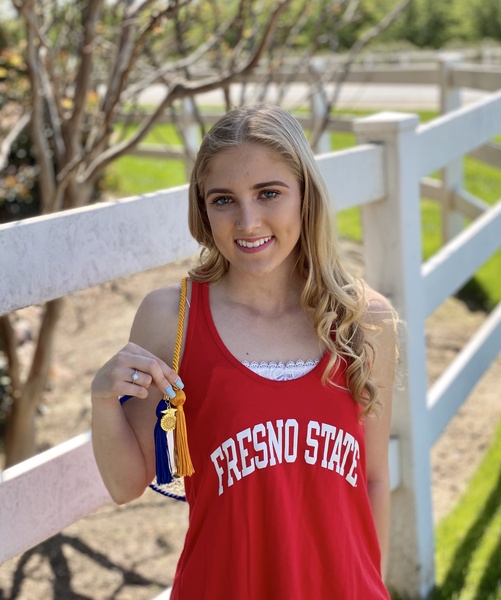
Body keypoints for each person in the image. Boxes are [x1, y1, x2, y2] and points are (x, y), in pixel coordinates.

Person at [91, 103, 397, 599]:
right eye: (224, 199)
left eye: (268, 193)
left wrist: (370, 586)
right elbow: (128, 484)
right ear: (202, 207)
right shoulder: (173, 318)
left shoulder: (363, 320)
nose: (248, 221)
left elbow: (375, 479)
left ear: (305, 196)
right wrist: (103, 403)